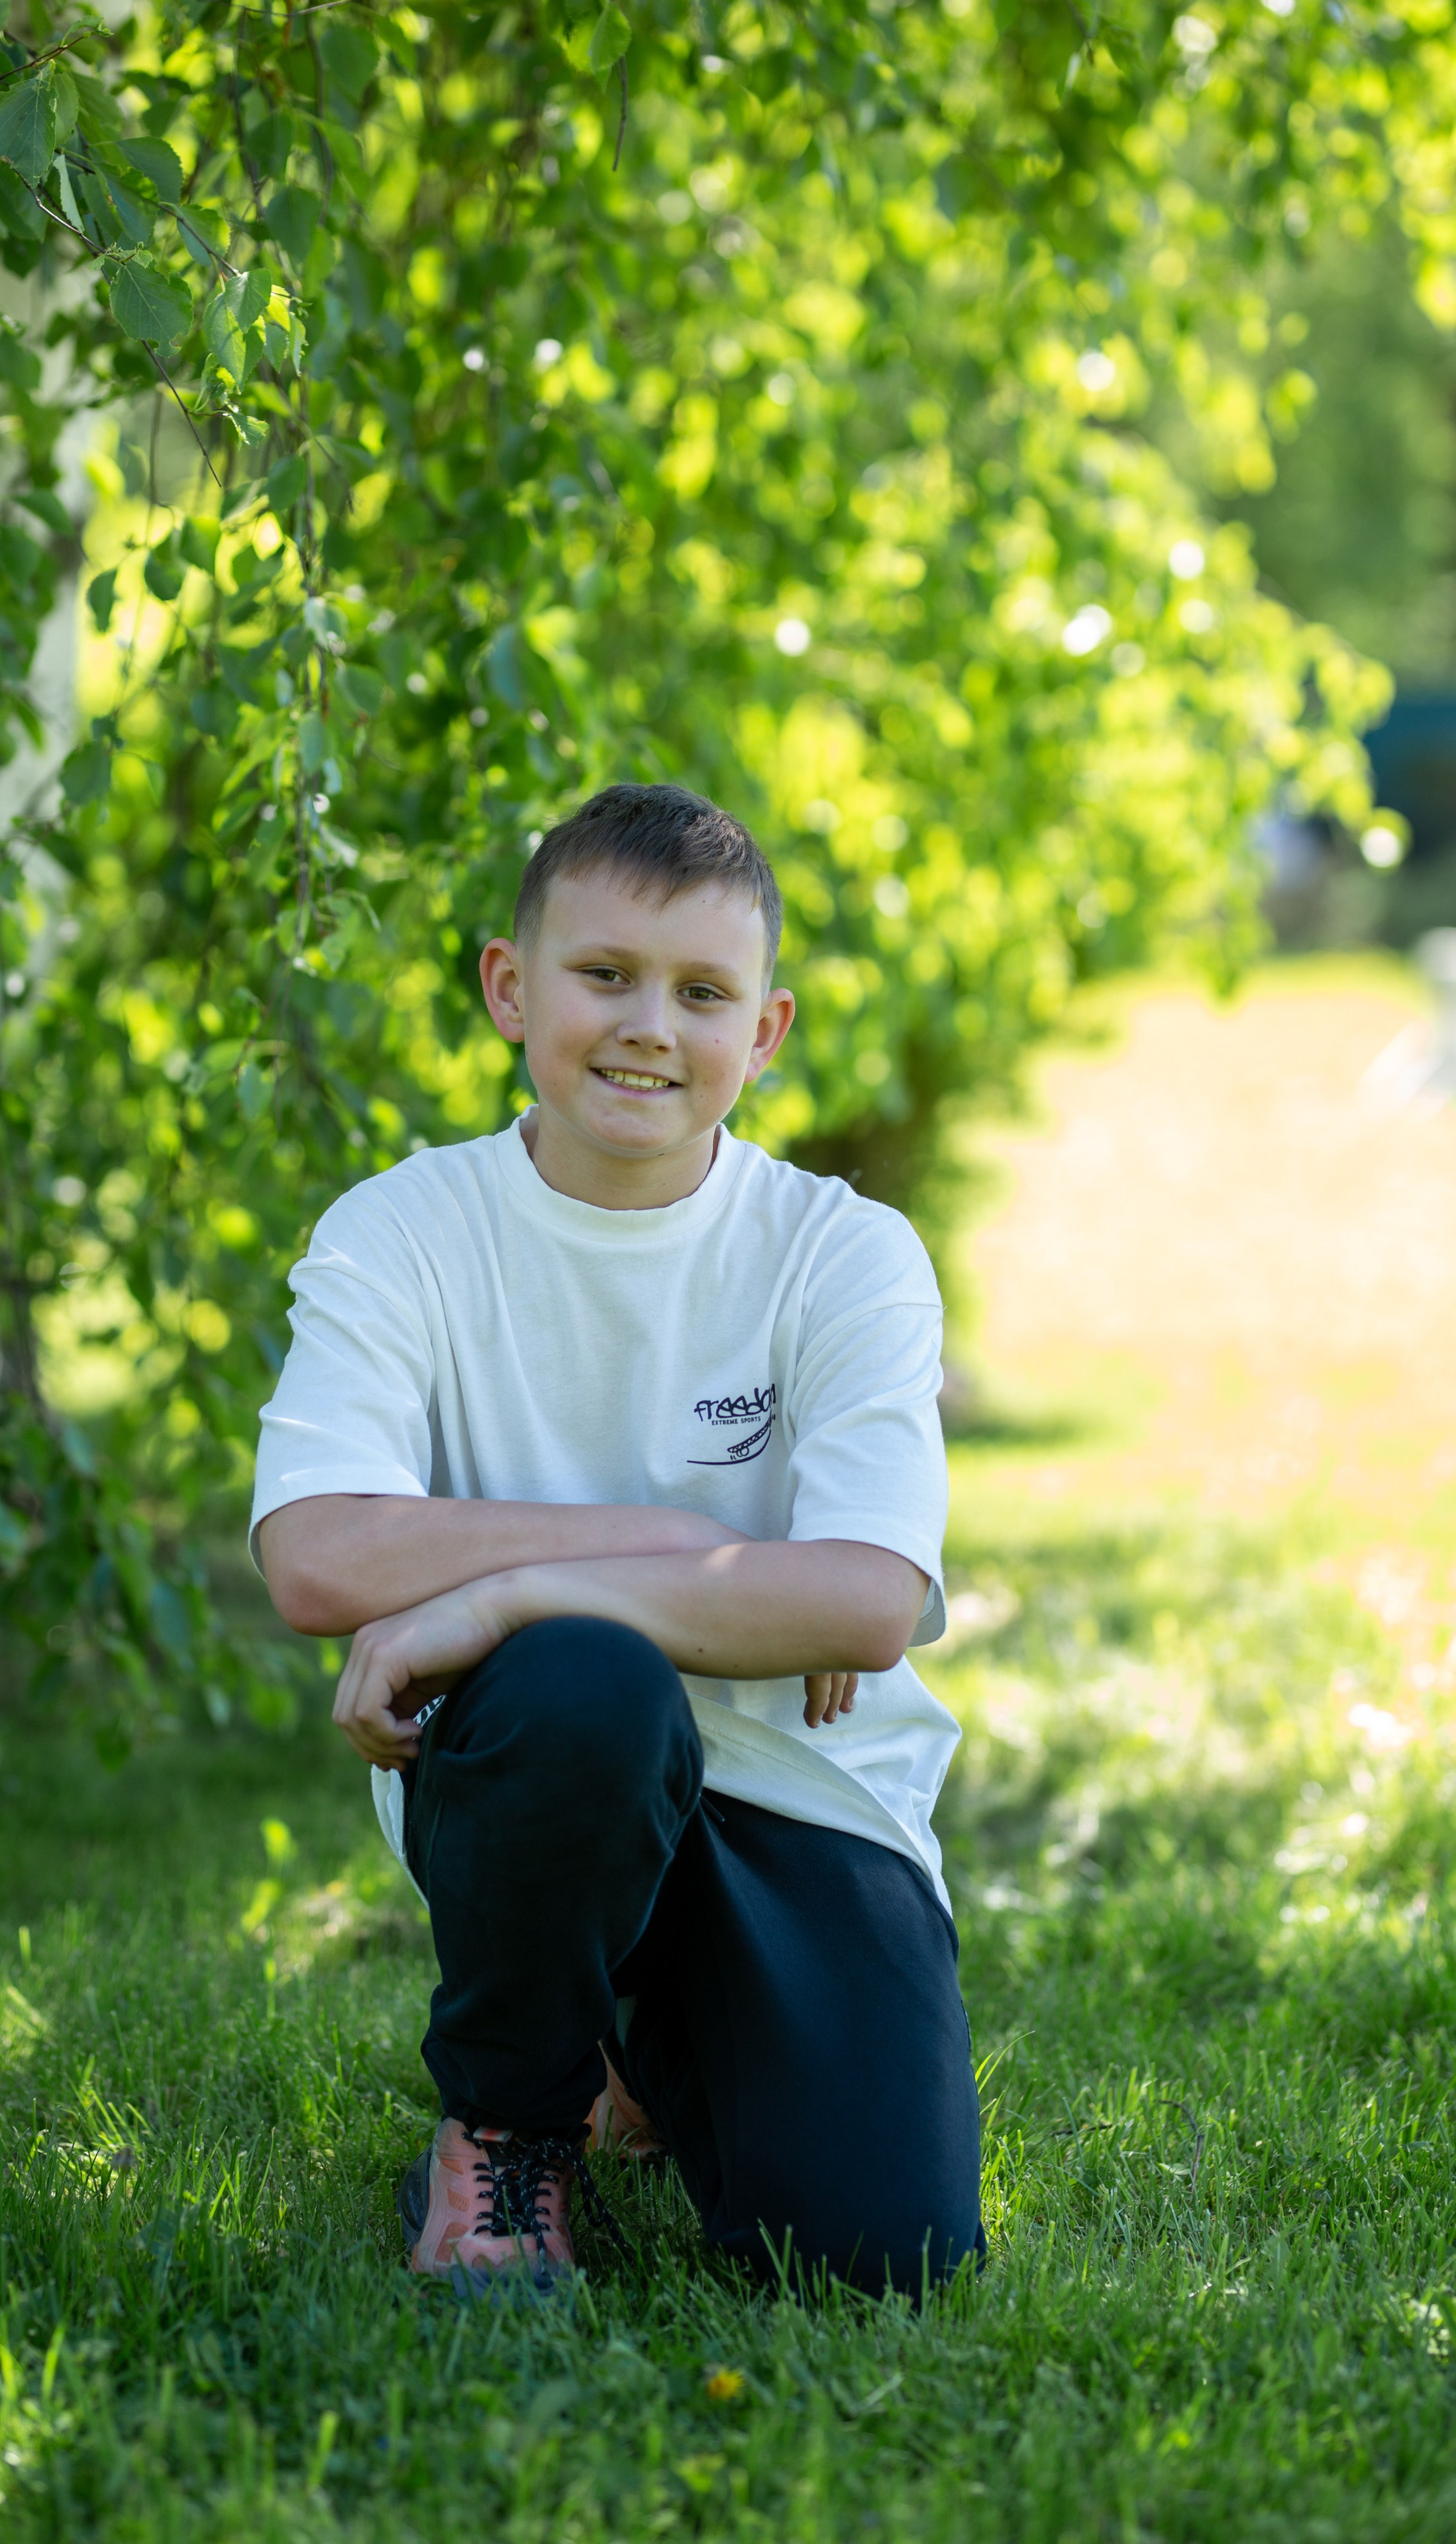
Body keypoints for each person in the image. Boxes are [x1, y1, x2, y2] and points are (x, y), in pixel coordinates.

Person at [252, 782, 984, 2300]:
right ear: (511, 991)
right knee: (588, 1683)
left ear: (764, 1033)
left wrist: (503, 1588)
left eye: (701, 992)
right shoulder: (401, 1232)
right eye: (604, 976)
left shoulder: (842, 1252)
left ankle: (645, 2054)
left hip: (805, 1793)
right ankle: (507, 2137)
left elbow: (862, 1601)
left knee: (874, 2256)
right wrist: (678, 1546)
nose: (650, 1026)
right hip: (539, 1770)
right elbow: (317, 1554)